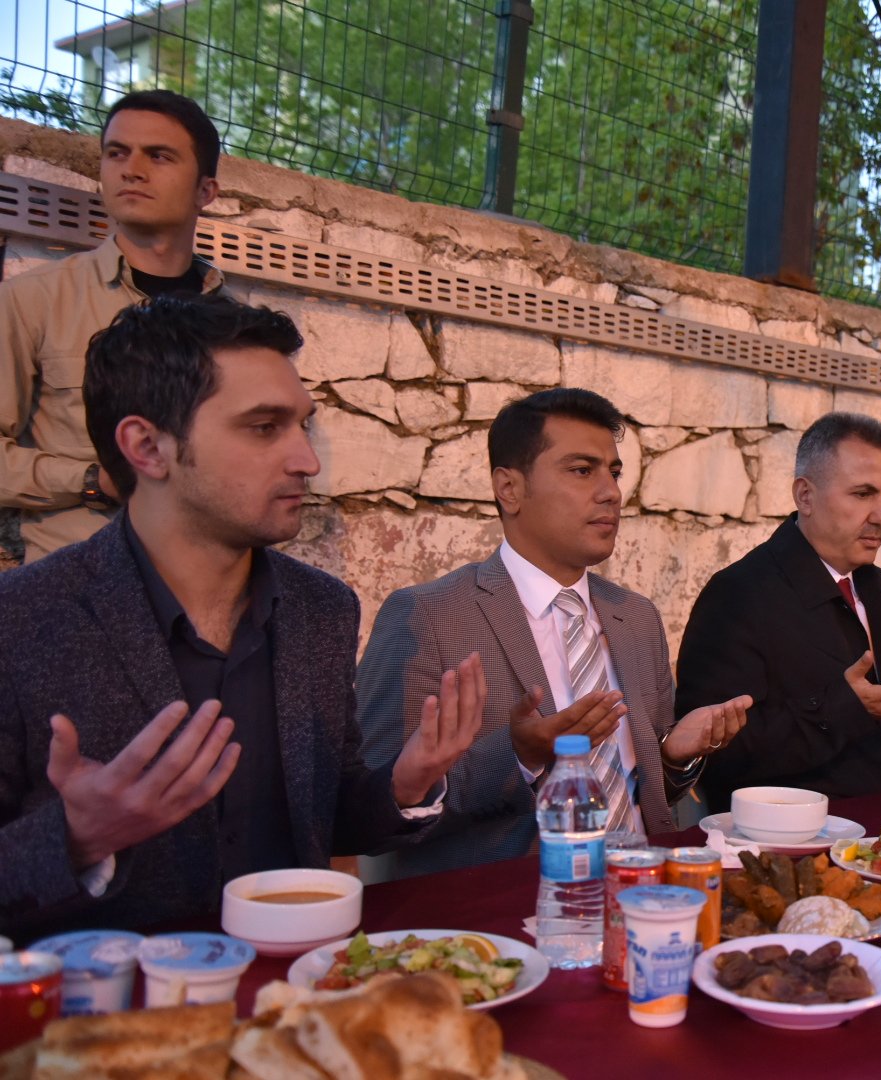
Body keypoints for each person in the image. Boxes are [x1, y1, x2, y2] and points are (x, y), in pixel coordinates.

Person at [0, 294, 485, 937]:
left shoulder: (322, 609)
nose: (306, 460)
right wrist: (76, 838)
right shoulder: (23, 622)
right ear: (147, 446)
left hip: (295, 1003)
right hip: (107, 1024)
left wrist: (405, 783)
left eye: (303, 425)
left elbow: (323, 815)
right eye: (264, 427)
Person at [357, 389, 752, 878]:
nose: (610, 492)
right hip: (506, 911)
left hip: (646, 890)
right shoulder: (428, 615)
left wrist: (672, 754)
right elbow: (372, 812)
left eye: (614, 471)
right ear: (510, 488)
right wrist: (519, 754)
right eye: (582, 470)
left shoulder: (636, 618)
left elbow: (644, 796)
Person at [675, 412, 881, 807]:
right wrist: (841, 708)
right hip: (795, 848)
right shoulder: (737, 595)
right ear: (805, 496)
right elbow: (717, 757)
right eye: (862, 494)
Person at [0, 90, 228, 562]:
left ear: (205, 191)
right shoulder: (34, 300)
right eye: (117, 153)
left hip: (205, 586)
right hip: (80, 589)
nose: (132, 169)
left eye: (159, 155)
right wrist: (94, 480)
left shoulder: (233, 324)